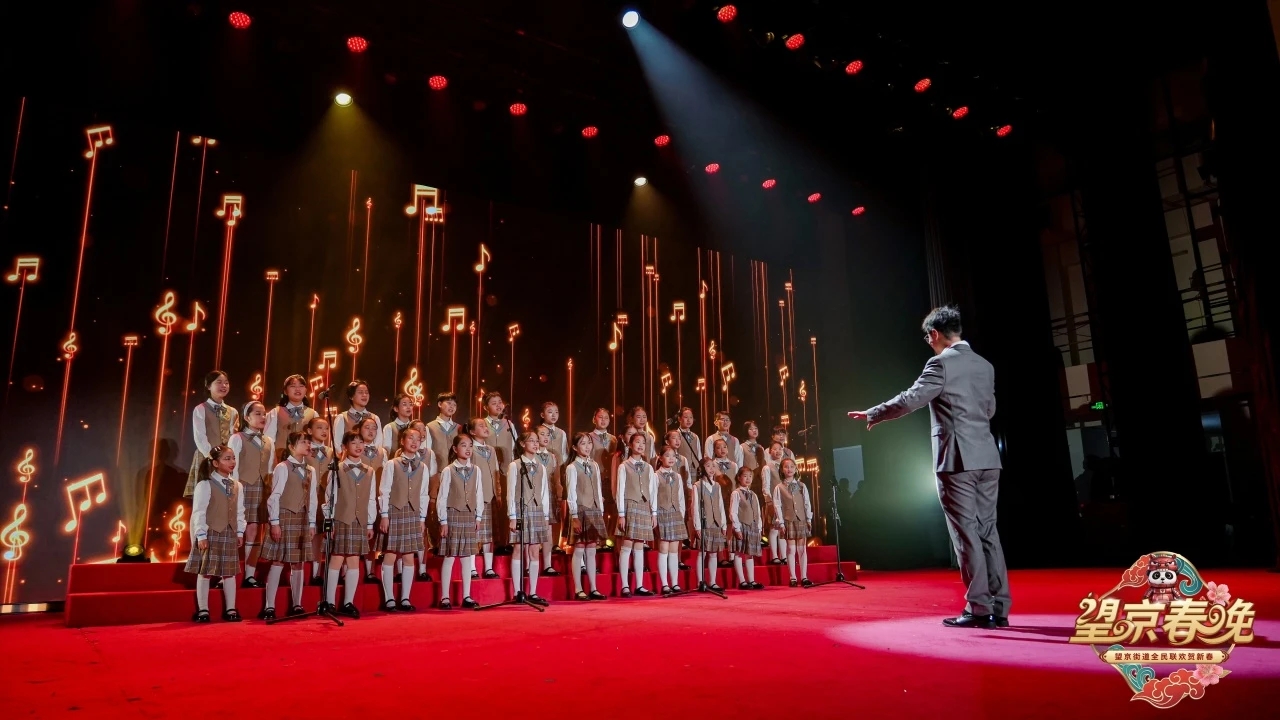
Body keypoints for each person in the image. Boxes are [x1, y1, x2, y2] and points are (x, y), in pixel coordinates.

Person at [848, 305, 1009, 629]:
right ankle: (1000, 607)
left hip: (957, 459)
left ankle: (979, 608)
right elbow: (989, 409)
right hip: (988, 458)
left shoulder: (941, 363)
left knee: (966, 535)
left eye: (927, 338)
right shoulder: (985, 365)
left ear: (934, 334)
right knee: (988, 531)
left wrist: (874, 413)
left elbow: (912, 398)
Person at [321, 431, 377, 619]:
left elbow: (371, 498)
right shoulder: (337, 469)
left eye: (361, 442)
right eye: (354, 443)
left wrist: (370, 523)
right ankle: (329, 602)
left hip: (359, 520)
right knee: (337, 559)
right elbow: (329, 497)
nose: (359, 446)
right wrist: (330, 521)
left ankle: (348, 602)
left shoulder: (369, 471)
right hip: (341, 519)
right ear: (345, 447)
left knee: (354, 560)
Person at [186, 445, 245, 622]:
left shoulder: (237, 485)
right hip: (211, 531)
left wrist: (239, 532)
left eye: (233, 458)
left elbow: (240, 511)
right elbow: (199, 511)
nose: (232, 462)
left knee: (229, 572)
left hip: (229, 532)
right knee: (205, 572)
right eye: (227, 459)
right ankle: (203, 610)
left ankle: (231, 609)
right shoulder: (205, 484)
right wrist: (201, 535)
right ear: (216, 463)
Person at [436, 434, 483, 610]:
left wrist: (478, 517)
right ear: (455, 449)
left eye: (470, 445)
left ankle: (467, 596)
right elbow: (442, 497)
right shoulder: (449, 470)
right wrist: (443, 520)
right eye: (464, 445)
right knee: (449, 556)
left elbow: (479, 494)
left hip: (469, 515)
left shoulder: (476, 470)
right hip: (452, 515)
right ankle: (445, 597)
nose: (468, 449)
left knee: (466, 557)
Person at [728, 467, 764, 590]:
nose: (748, 478)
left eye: (750, 476)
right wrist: (737, 528)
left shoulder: (753, 494)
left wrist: (759, 528)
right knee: (739, 553)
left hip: (752, 526)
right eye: (745, 476)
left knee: (750, 554)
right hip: (741, 525)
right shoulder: (736, 493)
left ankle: (751, 580)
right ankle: (742, 581)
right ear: (739, 478)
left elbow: (757, 512)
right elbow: (733, 512)